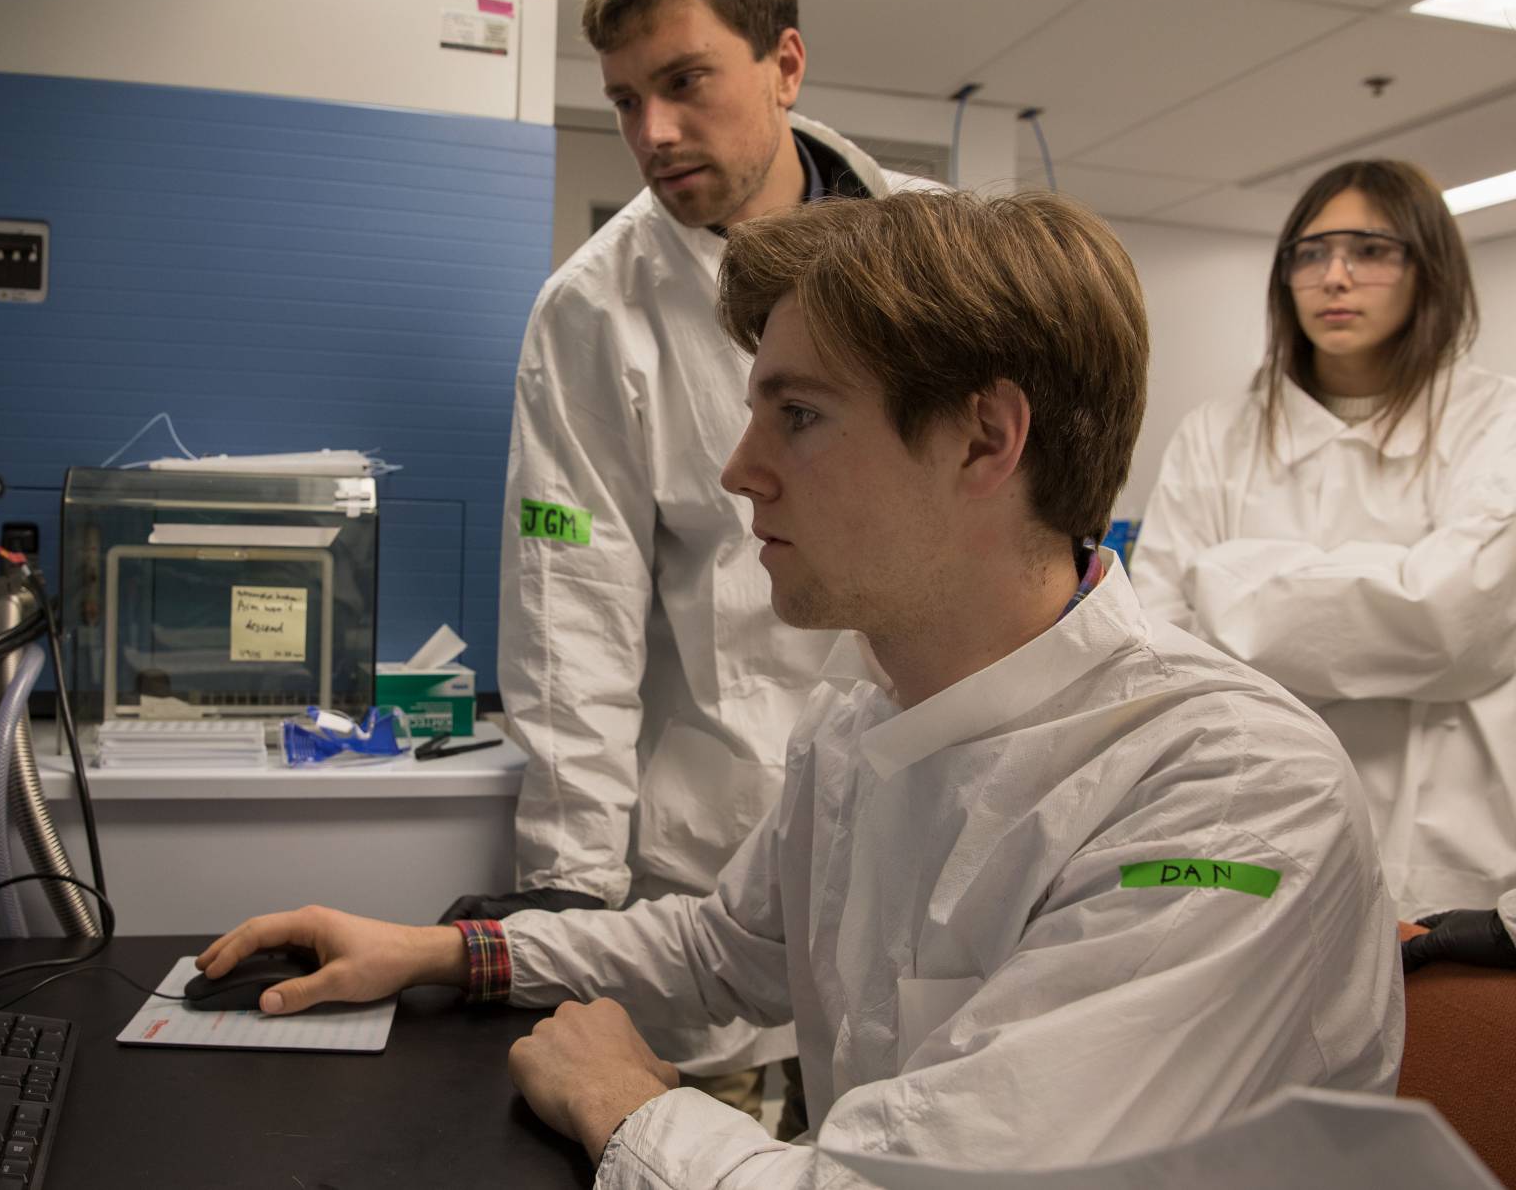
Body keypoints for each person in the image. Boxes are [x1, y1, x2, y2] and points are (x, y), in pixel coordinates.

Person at [204, 191, 1402, 1182]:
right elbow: (725, 951)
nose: (740, 470)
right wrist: (442, 951)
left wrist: (624, 1106)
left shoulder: (1226, 797)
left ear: (987, 440)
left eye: (801, 414)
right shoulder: (864, 717)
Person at [438, 0, 931, 1119]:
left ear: (786, 64)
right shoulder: (595, 311)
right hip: (709, 859)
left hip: (928, 828)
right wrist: (565, 890)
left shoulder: (940, 253)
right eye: (622, 100)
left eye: (685, 81)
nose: (653, 131)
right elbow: (575, 619)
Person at [1130, 160, 1516, 923]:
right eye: (1310, 253)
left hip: (1447, 848)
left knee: (1448, 1037)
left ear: (1427, 268)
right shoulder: (1217, 435)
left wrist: (1228, 581)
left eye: (1370, 250)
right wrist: (1389, 600)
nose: (1334, 277)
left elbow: (1453, 622)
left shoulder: (1498, 422)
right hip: (1244, 824)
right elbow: (1158, 649)